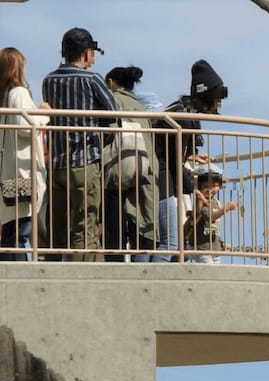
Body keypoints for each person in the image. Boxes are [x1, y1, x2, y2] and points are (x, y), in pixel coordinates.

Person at [42, 27, 117, 261]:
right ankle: (81, 282)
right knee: (85, 226)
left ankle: (51, 278)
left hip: (55, 164)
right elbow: (113, 112)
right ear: (85, 54)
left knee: (57, 228)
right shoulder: (92, 79)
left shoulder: (48, 80)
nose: (93, 57)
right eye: (92, 52)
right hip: (85, 161)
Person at [152, 59, 228, 262]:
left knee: (172, 244)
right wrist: (189, 186)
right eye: (217, 98)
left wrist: (191, 157)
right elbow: (170, 156)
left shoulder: (182, 111)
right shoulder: (183, 116)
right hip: (161, 181)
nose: (218, 104)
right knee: (170, 244)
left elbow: (173, 150)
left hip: (163, 178)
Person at [103, 66, 159, 262]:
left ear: (110, 82)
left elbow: (108, 131)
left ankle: (115, 268)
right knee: (142, 223)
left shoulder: (112, 101)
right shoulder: (141, 107)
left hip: (118, 166)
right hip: (146, 167)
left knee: (114, 227)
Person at [0, 48, 51, 261]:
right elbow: (24, 126)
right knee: (21, 232)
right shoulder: (19, 93)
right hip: (23, 174)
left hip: (10, 173)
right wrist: (44, 115)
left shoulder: (4, 95)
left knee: (12, 232)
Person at [183, 164, 236, 264]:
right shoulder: (200, 201)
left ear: (219, 186)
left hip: (213, 246)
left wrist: (220, 242)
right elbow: (210, 217)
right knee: (208, 269)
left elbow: (214, 226)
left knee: (216, 270)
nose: (210, 189)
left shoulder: (215, 201)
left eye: (214, 186)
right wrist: (225, 209)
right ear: (199, 186)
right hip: (201, 246)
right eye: (206, 186)